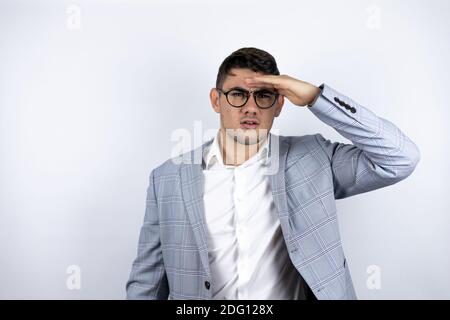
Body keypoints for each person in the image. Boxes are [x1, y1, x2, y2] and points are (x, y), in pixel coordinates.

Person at [125, 47, 420, 300]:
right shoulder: (166, 179)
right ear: (216, 100)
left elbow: (400, 158)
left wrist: (317, 97)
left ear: (279, 104)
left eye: (264, 96)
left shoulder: (314, 158)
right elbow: (147, 282)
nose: (251, 107)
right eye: (238, 94)